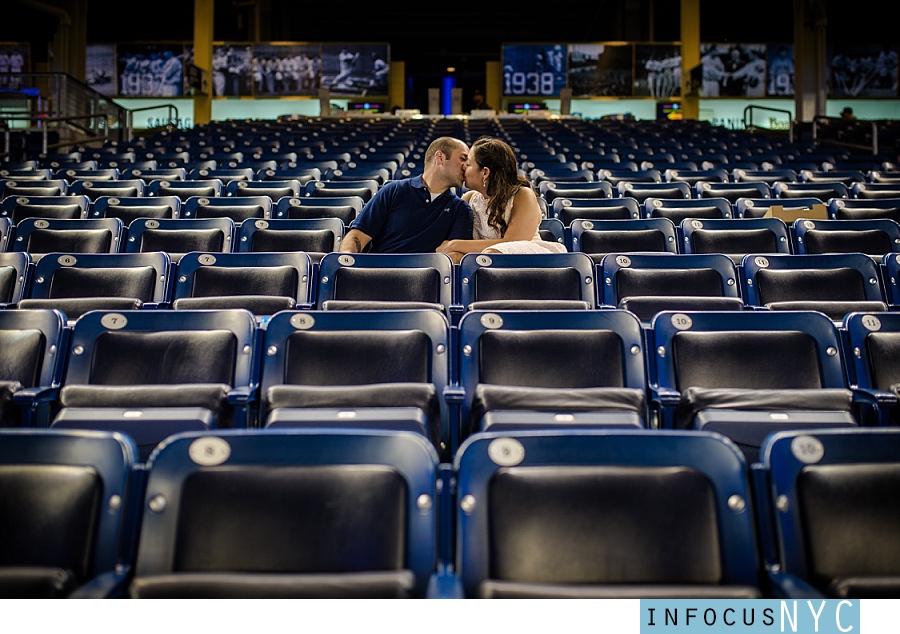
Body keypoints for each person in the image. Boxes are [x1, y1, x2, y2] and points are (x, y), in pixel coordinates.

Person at [436, 136, 567, 264]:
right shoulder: (468, 198)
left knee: (492, 255)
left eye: (469, 164)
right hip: (482, 259)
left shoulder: (522, 195)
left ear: (485, 172)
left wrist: (454, 244)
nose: (464, 167)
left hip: (524, 257)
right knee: (452, 258)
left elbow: (514, 243)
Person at [339, 136, 473, 254]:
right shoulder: (393, 190)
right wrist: (347, 261)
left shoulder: (460, 209)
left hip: (423, 278)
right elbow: (357, 236)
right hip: (377, 271)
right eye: (463, 158)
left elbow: (454, 257)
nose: (466, 166)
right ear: (440, 157)